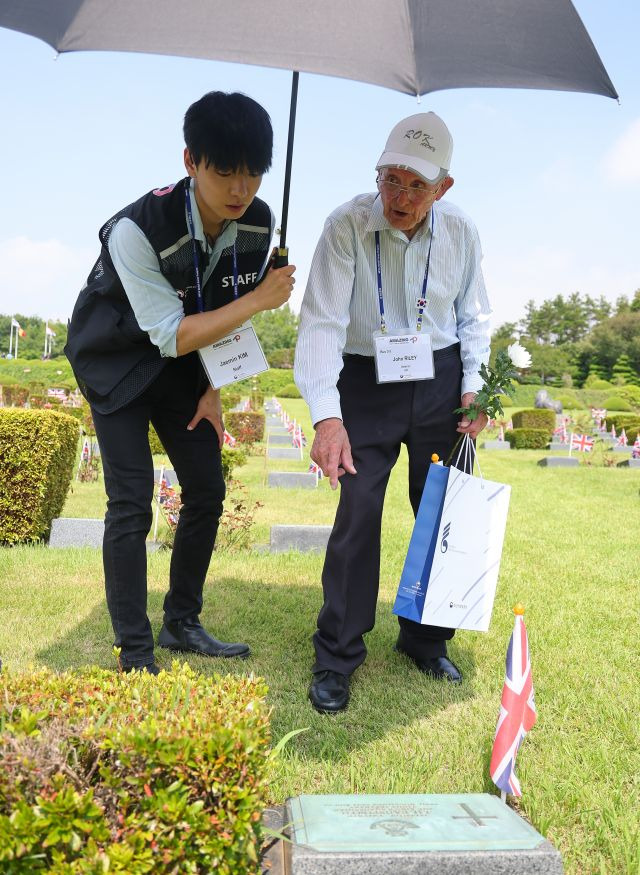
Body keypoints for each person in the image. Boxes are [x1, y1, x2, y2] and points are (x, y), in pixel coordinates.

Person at [66, 91, 295, 675]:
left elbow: (218, 304)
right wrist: (262, 300)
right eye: (225, 172)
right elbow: (170, 332)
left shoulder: (258, 222)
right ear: (191, 161)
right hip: (115, 359)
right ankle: (135, 651)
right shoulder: (135, 230)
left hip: (182, 365)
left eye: (253, 172)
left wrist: (213, 387)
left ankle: (181, 622)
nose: (241, 189)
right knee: (131, 503)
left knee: (207, 489)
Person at [294, 111, 490, 713]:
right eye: (392, 180)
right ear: (376, 174)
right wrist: (328, 418)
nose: (400, 198)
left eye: (417, 186)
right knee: (358, 508)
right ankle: (338, 654)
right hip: (365, 378)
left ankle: (426, 642)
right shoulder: (347, 225)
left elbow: (474, 314)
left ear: (443, 189)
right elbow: (322, 322)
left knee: (443, 510)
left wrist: (475, 385)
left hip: (439, 377)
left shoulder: (461, 231)